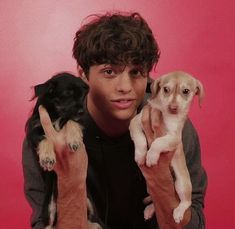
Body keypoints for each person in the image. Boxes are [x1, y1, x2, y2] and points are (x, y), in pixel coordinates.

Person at [22, 12, 207, 229]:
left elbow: (193, 223)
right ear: (83, 74)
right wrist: (70, 183)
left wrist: (161, 181)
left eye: (136, 72)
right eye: (109, 71)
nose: (125, 87)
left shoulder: (170, 127)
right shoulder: (50, 134)